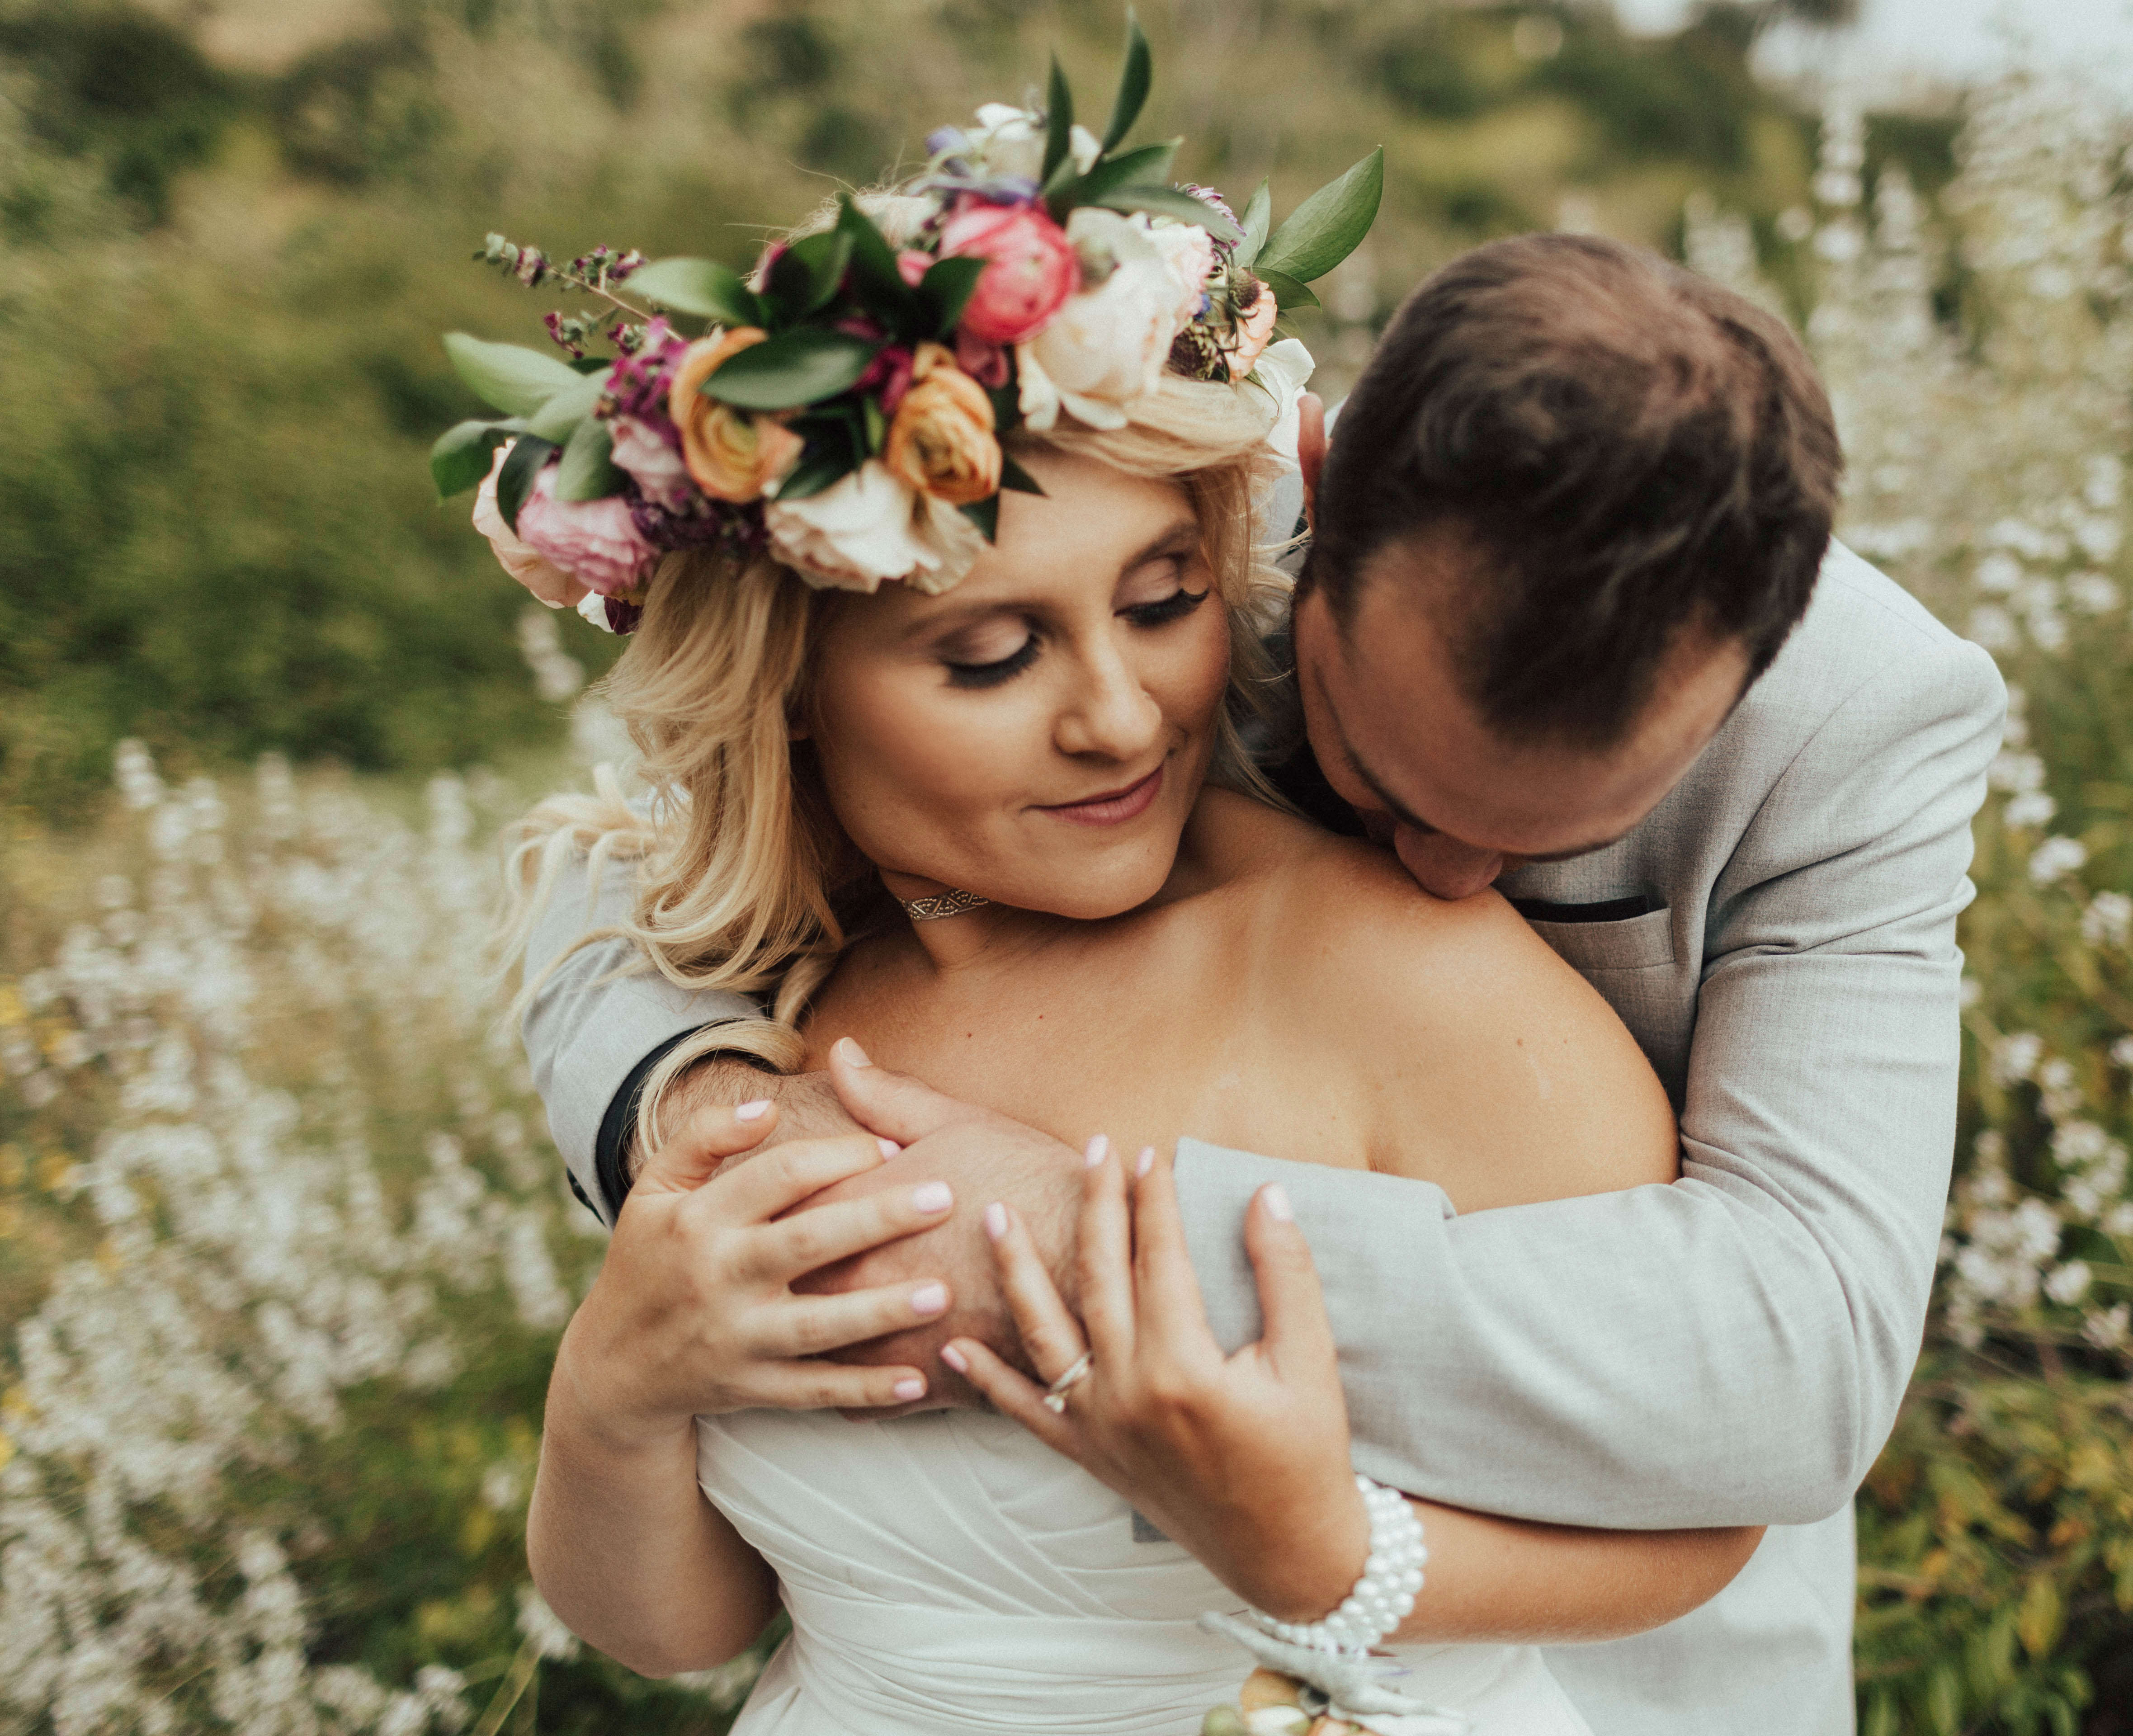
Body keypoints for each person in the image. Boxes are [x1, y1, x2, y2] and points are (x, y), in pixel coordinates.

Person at [522, 231, 2004, 1730]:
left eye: (1555, 839)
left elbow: (1793, 1368)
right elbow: (629, 875)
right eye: (1385, 777)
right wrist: (707, 1151)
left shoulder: (1842, 730)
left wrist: (1064, 1244)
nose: (1447, 877)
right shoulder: (1145, 504)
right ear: (1301, 504)